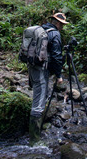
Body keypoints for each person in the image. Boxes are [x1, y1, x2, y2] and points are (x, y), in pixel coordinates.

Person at [28, 12, 69, 146]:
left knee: (38, 94)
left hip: (32, 66)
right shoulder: (55, 34)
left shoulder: (42, 29)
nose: (62, 27)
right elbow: (57, 57)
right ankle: (34, 140)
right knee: (39, 101)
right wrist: (59, 76)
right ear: (58, 23)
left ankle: (37, 129)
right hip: (41, 69)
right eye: (62, 25)